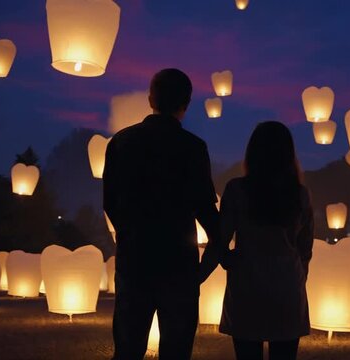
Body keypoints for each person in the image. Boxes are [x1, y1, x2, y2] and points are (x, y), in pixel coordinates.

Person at [103, 68, 221, 360]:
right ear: (187, 103)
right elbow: (206, 208)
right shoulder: (193, 148)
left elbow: (110, 203)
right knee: (177, 351)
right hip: (179, 266)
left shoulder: (121, 143)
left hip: (134, 263)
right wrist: (208, 264)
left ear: (150, 98)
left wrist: (131, 233)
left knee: (128, 350)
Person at [218, 121, 314, 360]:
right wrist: (298, 275)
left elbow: (220, 238)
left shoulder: (237, 190)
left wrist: (225, 259)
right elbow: (305, 248)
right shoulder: (299, 194)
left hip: (247, 285)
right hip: (287, 286)